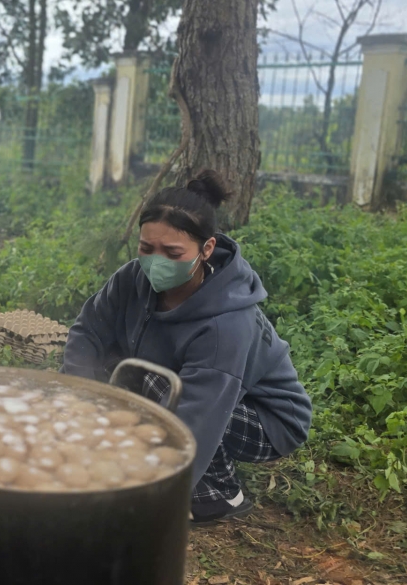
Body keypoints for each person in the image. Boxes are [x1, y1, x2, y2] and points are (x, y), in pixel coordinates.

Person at [62, 171, 312, 524]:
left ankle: (221, 494)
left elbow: (199, 417)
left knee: (161, 388)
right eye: (146, 248)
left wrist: (140, 497)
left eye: (172, 252)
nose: (155, 261)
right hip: (201, 392)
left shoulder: (225, 326)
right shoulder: (132, 279)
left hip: (268, 418)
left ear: (206, 249)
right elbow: (88, 332)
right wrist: (79, 401)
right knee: (131, 374)